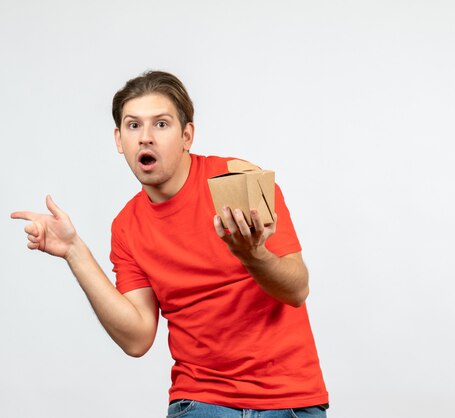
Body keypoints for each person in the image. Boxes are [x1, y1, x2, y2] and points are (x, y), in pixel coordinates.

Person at [11, 70, 329, 418]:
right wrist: (74, 251)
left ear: (186, 135)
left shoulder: (239, 179)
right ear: (119, 140)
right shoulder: (127, 227)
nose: (145, 138)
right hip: (200, 401)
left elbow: (296, 289)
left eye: (161, 125)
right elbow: (137, 338)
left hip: (290, 400)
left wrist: (252, 256)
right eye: (133, 126)